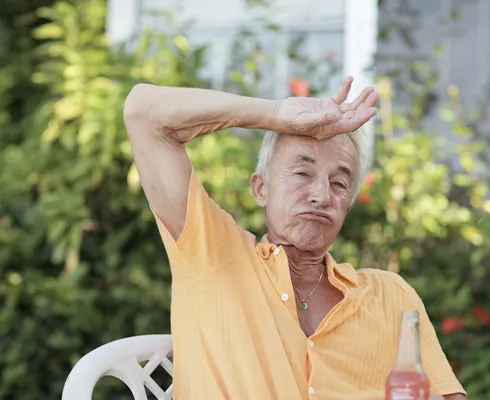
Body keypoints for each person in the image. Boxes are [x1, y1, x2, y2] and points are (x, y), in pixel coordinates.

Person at [124, 77, 467, 400]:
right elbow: (143, 112)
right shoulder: (211, 254)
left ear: (347, 205)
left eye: (339, 183)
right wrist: (274, 114)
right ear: (261, 188)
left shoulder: (391, 298)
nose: (321, 195)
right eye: (302, 172)